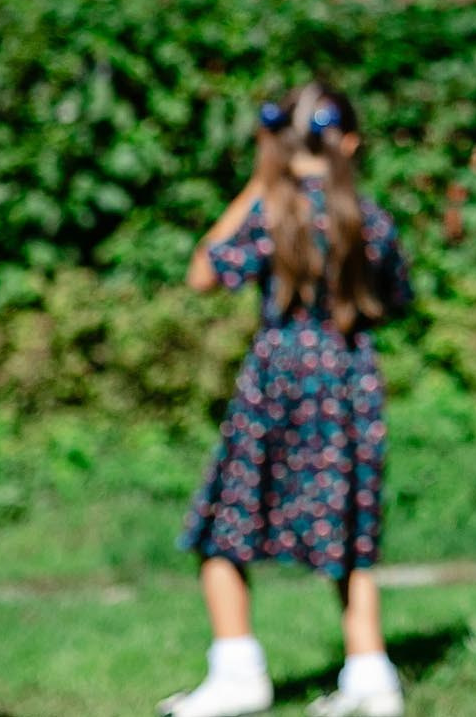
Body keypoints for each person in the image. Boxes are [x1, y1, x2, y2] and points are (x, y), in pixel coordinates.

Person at [165, 81, 413, 717]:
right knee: (349, 535)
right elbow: (396, 299)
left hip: (280, 375)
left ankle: (238, 671)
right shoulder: (370, 217)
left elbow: (204, 272)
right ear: (350, 143)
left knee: (226, 529)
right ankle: (370, 674)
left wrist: (258, 182)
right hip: (351, 377)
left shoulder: (274, 211)